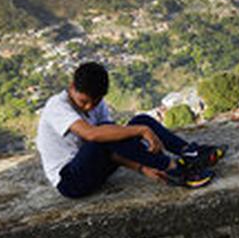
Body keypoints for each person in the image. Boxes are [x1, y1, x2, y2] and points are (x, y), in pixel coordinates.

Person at [36, 62, 225, 198]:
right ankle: (174, 169)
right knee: (110, 131)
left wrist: (142, 168)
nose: (89, 107)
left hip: (94, 167)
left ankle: (190, 152)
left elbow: (114, 145)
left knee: (139, 120)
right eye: (83, 101)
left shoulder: (97, 105)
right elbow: (92, 135)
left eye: (95, 102)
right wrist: (141, 131)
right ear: (72, 87)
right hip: (70, 181)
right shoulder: (57, 106)